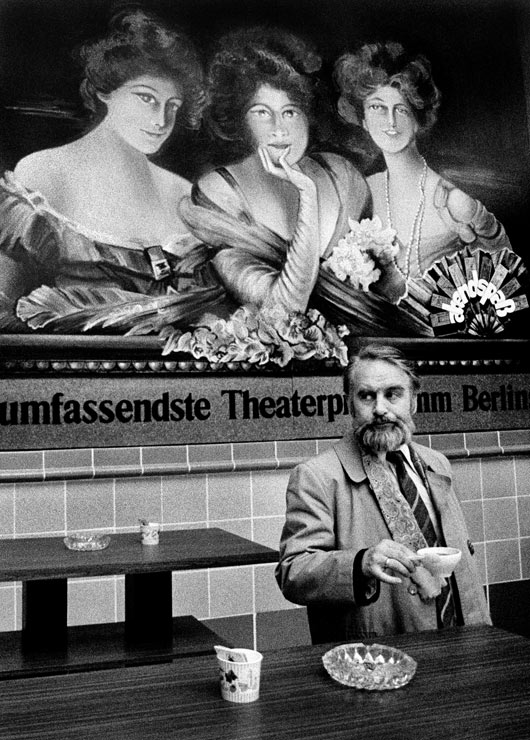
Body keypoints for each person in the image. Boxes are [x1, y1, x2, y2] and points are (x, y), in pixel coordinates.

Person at [0, 9, 223, 333]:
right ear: (105, 90)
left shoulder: (182, 194)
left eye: (172, 105)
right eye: (146, 97)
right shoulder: (45, 173)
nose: (161, 120)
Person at [275, 343, 491, 643]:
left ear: (413, 401)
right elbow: (292, 572)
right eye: (366, 396)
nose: (380, 409)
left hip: (461, 637)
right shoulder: (317, 476)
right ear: (349, 404)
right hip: (380, 653)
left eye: (392, 394)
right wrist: (360, 562)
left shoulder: (436, 463)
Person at [179, 26, 370, 316]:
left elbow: (386, 292)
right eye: (262, 113)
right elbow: (286, 309)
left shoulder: (342, 176)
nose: (279, 129)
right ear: (241, 121)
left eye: (291, 112)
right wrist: (307, 193)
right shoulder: (219, 192)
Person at [333, 42, 512, 300]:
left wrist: (478, 240)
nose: (390, 121)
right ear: (362, 119)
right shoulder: (363, 190)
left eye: (402, 109)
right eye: (377, 107)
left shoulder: (452, 200)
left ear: (419, 119)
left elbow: (507, 278)